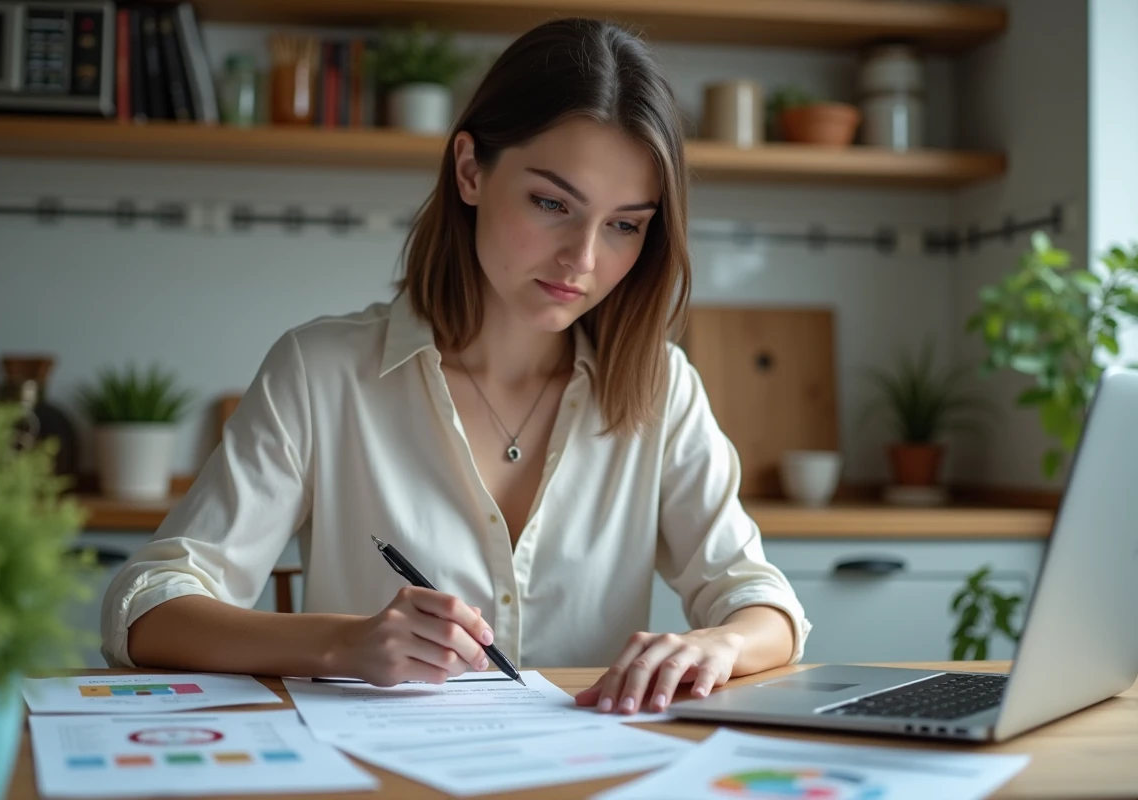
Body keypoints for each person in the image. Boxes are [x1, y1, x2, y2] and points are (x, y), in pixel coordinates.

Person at [103, 17, 811, 716]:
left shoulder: (662, 387)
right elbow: (146, 610)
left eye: (625, 224)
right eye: (551, 203)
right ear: (470, 170)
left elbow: (764, 605)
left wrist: (718, 645)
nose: (584, 260)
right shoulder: (321, 372)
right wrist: (341, 645)